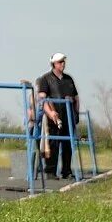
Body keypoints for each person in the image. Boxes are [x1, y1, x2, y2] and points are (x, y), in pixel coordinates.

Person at [36, 52, 80, 180]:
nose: (63, 64)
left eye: (63, 62)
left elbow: (76, 98)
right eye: (60, 62)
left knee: (67, 145)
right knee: (53, 143)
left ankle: (66, 170)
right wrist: (50, 113)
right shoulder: (46, 79)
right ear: (54, 64)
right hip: (53, 118)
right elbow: (42, 99)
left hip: (68, 116)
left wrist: (76, 113)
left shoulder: (68, 79)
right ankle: (50, 171)